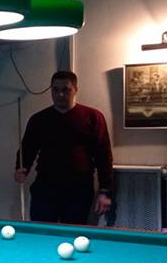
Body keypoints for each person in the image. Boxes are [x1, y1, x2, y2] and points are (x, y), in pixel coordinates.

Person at [15, 70, 113, 224]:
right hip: (45, 188)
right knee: (42, 232)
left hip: (79, 190)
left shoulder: (93, 117)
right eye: (55, 90)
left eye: (66, 90)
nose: (60, 94)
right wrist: (21, 169)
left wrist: (104, 191)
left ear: (75, 90)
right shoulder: (38, 119)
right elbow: (26, 150)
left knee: (74, 233)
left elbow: (103, 155)